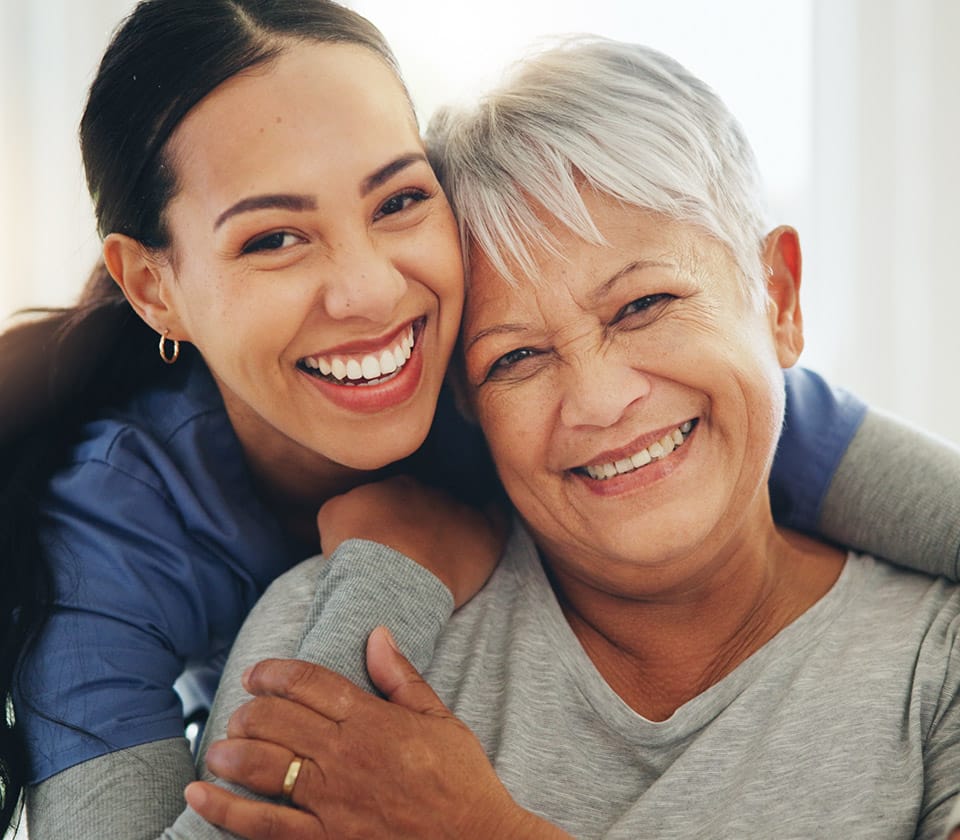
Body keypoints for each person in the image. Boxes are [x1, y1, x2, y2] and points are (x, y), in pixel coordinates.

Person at [3, 3, 956, 837]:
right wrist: (388, 579)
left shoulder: (564, 380)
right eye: (273, 237)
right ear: (152, 286)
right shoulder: (115, 540)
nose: (373, 291)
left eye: (400, 199)